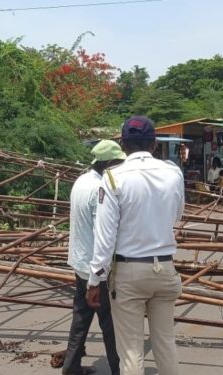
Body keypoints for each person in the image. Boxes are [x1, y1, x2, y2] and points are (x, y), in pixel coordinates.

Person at [87, 115, 185, 375]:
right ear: (154, 144)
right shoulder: (173, 173)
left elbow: (104, 238)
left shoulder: (112, 178)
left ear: (123, 143)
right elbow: (177, 216)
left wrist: (94, 280)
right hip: (165, 269)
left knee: (131, 350)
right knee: (165, 343)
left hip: (129, 273)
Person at [63, 140, 125, 375]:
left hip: (80, 262)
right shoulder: (101, 188)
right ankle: (119, 369)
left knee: (80, 317)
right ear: (109, 163)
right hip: (95, 268)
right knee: (110, 324)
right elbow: (103, 233)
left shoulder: (82, 180)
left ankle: (71, 367)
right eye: (118, 163)